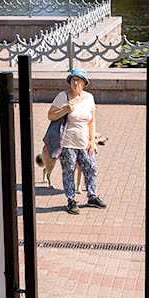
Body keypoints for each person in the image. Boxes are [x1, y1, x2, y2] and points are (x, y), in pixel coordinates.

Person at [48, 68, 104, 214]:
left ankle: (92, 196)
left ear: (84, 83)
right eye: (73, 80)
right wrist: (65, 110)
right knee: (69, 171)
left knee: (91, 168)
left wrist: (92, 141)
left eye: (79, 80)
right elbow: (50, 115)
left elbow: (92, 121)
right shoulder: (63, 96)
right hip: (68, 142)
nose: (76, 83)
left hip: (84, 141)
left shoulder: (89, 97)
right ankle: (71, 200)